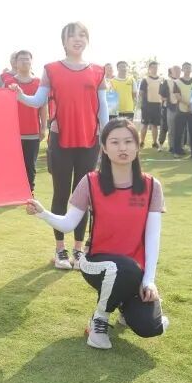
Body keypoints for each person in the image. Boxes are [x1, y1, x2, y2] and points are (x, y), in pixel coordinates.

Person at [24, 119, 168, 349]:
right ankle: (98, 321)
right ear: (104, 148)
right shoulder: (91, 182)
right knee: (122, 268)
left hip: (134, 270)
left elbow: (153, 237)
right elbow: (68, 224)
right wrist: (43, 213)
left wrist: (149, 280)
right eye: (115, 142)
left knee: (150, 327)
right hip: (95, 263)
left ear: (137, 146)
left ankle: (125, 307)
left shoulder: (152, 186)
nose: (122, 148)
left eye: (128, 141)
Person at [11, 22, 108, 271]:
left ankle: (79, 249)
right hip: (60, 139)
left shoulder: (98, 71)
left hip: (89, 141)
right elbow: (38, 100)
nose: (78, 39)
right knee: (61, 194)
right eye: (72, 36)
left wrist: (107, 137)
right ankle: (60, 250)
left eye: (82, 35)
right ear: (64, 41)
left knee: (83, 196)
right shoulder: (51, 69)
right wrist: (20, 95)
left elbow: (103, 109)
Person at [8, 50, 47, 194]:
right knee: (13, 164)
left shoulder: (39, 83)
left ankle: (29, 192)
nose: (24, 62)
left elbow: (43, 106)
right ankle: (13, 191)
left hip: (32, 131)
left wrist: (43, 127)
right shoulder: (9, 83)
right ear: (15, 63)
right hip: (13, 132)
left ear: (31, 62)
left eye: (27, 59)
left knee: (30, 165)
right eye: (21, 59)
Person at [138, 62, 164, 148]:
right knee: (144, 124)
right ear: (149, 68)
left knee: (155, 125)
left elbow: (163, 92)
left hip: (157, 105)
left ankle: (154, 142)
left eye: (156, 67)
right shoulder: (145, 80)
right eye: (153, 67)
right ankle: (142, 142)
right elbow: (141, 92)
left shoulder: (161, 79)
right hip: (146, 105)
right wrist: (145, 101)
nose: (154, 69)